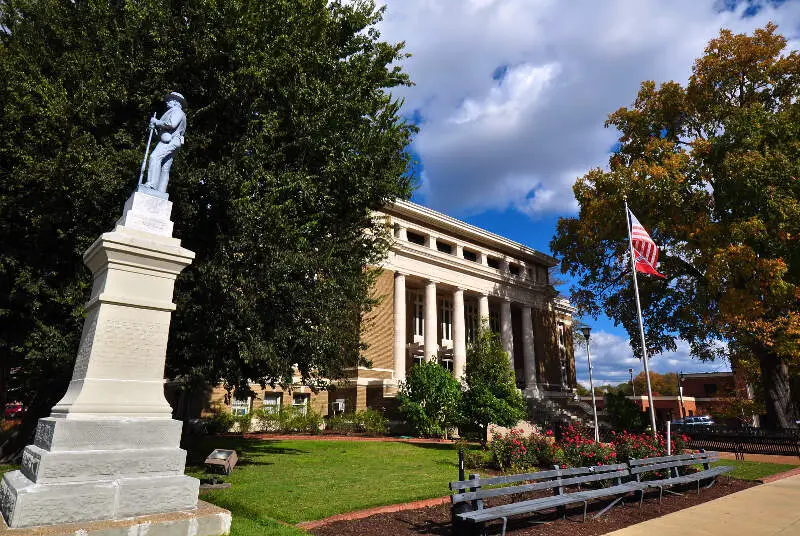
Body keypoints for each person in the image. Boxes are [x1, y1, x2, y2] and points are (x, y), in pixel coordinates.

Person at [143, 92, 187, 193]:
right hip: (172, 140)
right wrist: (154, 127)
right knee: (165, 168)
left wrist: (156, 122)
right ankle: (161, 191)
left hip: (170, 141)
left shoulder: (177, 111)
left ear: (176, 102)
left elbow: (172, 124)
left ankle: (151, 184)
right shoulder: (175, 111)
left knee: (155, 157)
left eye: (170, 100)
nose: (167, 102)